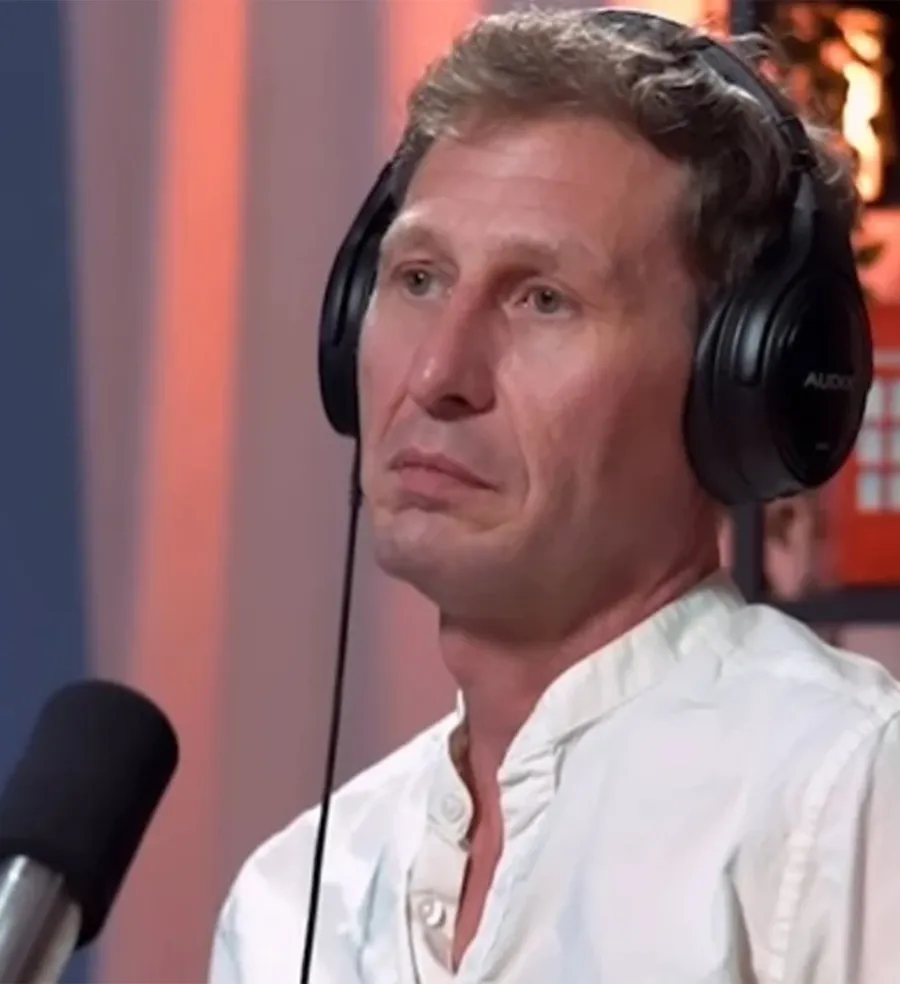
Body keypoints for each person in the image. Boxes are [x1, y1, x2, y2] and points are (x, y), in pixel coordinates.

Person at [210, 8, 900, 983]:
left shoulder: (853, 800)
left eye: (543, 299)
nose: (437, 376)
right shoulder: (290, 908)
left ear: (738, 383)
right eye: (419, 279)